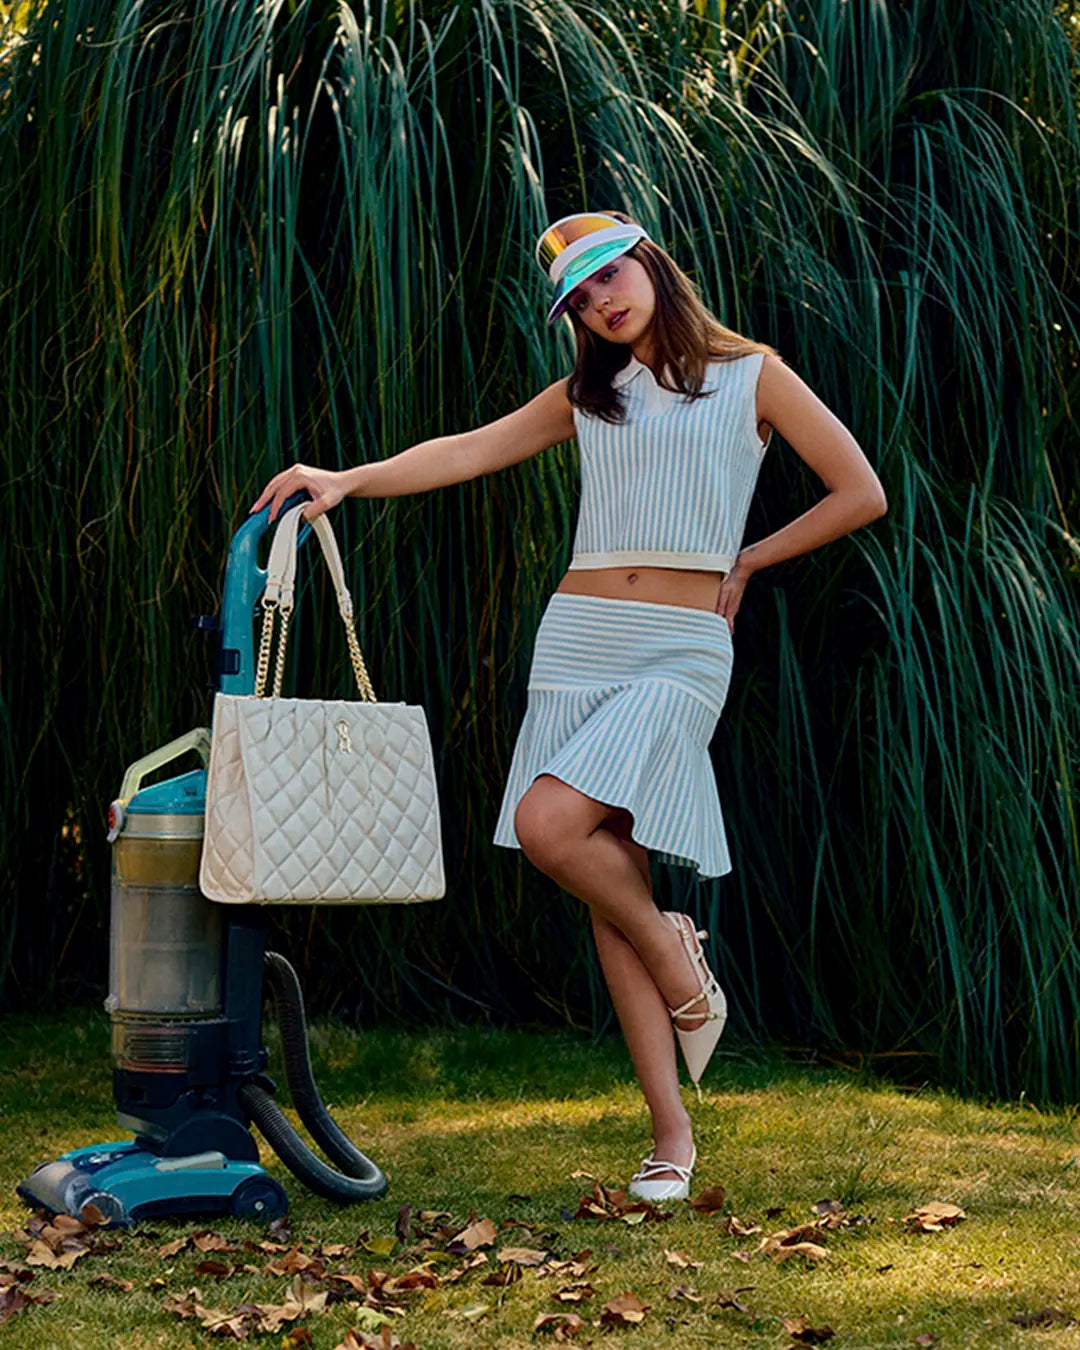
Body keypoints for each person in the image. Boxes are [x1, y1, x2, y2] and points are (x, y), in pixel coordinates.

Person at [251, 210, 887, 1201]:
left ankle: (681, 961)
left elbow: (860, 490)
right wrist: (348, 480)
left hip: (681, 650)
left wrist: (751, 559)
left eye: (611, 276)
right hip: (580, 642)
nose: (603, 300)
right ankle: (670, 1135)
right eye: (581, 298)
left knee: (552, 825)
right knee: (607, 884)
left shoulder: (751, 376)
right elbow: (466, 449)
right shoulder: (591, 398)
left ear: (651, 263)